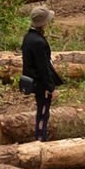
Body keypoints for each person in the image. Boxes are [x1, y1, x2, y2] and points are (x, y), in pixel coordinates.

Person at [21, 7, 62, 142]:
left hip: (35, 80)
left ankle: (41, 136)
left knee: (42, 110)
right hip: (40, 83)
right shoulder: (38, 42)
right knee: (43, 111)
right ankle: (40, 139)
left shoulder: (28, 37)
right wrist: (51, 87)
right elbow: (43, 68)